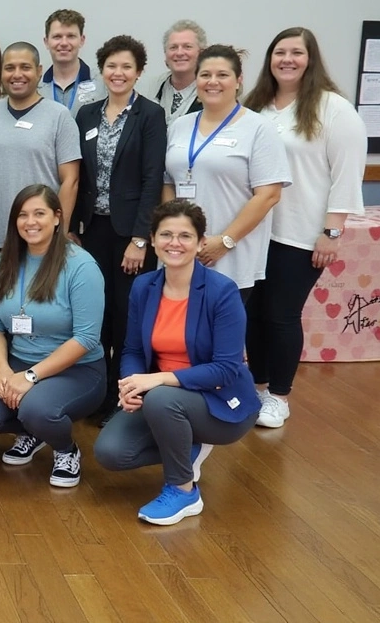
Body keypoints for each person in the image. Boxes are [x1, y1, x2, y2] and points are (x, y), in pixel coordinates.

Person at [93, 200, 260, 525]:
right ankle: (187, 446)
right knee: (110, 453)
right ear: (153, 240)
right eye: (166, 234)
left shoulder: (222, 291)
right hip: (165, 399)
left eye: (185, 236)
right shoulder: (145, 286)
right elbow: (132, 352)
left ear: (200, 243)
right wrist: (131, 385)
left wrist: (155, 381)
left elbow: (226, 369)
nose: (174, 242)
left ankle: (183, 491)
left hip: (222, 403)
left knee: (161, 398)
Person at [243, 27, 367, 428]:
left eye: (297, 53)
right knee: (253, 315)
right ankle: (258, 389)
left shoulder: (334, 109)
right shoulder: (258, 106)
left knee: (281, 315)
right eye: (280, 52)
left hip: (300, 234)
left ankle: (279, 396)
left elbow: (347, 175)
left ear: (310, 59)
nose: (287, 60)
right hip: (255, 231)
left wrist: (332, 232)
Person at [0, 185, 105, 488]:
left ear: (56, 218)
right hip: (18, 361)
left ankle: (66, 450)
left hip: (77, 370)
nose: (31, 222)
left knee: (36, 408)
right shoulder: (5, 261)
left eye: (39, 213)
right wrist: (2, 370)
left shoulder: (81, 266)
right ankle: (35, 431)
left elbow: (87, 337)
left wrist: (30, 377)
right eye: (23, 215)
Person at [74, 35, 167, 424]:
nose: (118, 73)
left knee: (127, 316)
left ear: (139, 72)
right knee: (97, 313)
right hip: (92, 229)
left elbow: (151, 179)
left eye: (127, 66)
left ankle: (124, 395)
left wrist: (141, 239)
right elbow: (78, 174)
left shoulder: (150, 115)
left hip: (131, 235)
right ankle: (96, 393)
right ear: (102, 70)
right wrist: (74, 227)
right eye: (111, 66)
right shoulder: (87, 114)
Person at [163, 44, 291, 298]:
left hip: (229, 255)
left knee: (220, 334)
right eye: (205, 75)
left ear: (238, 80)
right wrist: (174, 234)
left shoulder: (258, 128)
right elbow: (168, 183)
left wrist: (225, 241)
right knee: (178, 334)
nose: (213, 82)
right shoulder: (180, 126)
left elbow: (268, 195)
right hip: (180, 252)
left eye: (222, 75)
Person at [0, 42, 80, 294]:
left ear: (39, 70)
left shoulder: (59, 116)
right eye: (10, 68)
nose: (17, 74)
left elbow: (71, 180)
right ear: (1, 73)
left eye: (25, 67)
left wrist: (59, 234)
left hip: (41, 238)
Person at [38, 9, 107, 116]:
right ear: (46, 42)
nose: (64, 43)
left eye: (71, 36)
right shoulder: (35, 87)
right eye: (57, 37)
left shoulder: (103, 84)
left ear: (82, 40)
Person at [144, 20, 206, 124]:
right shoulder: (150, 90)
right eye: (173, 47)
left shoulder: (210, 92)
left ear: (201, 53)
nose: (180, 52)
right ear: (165, 54)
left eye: (187, 47)